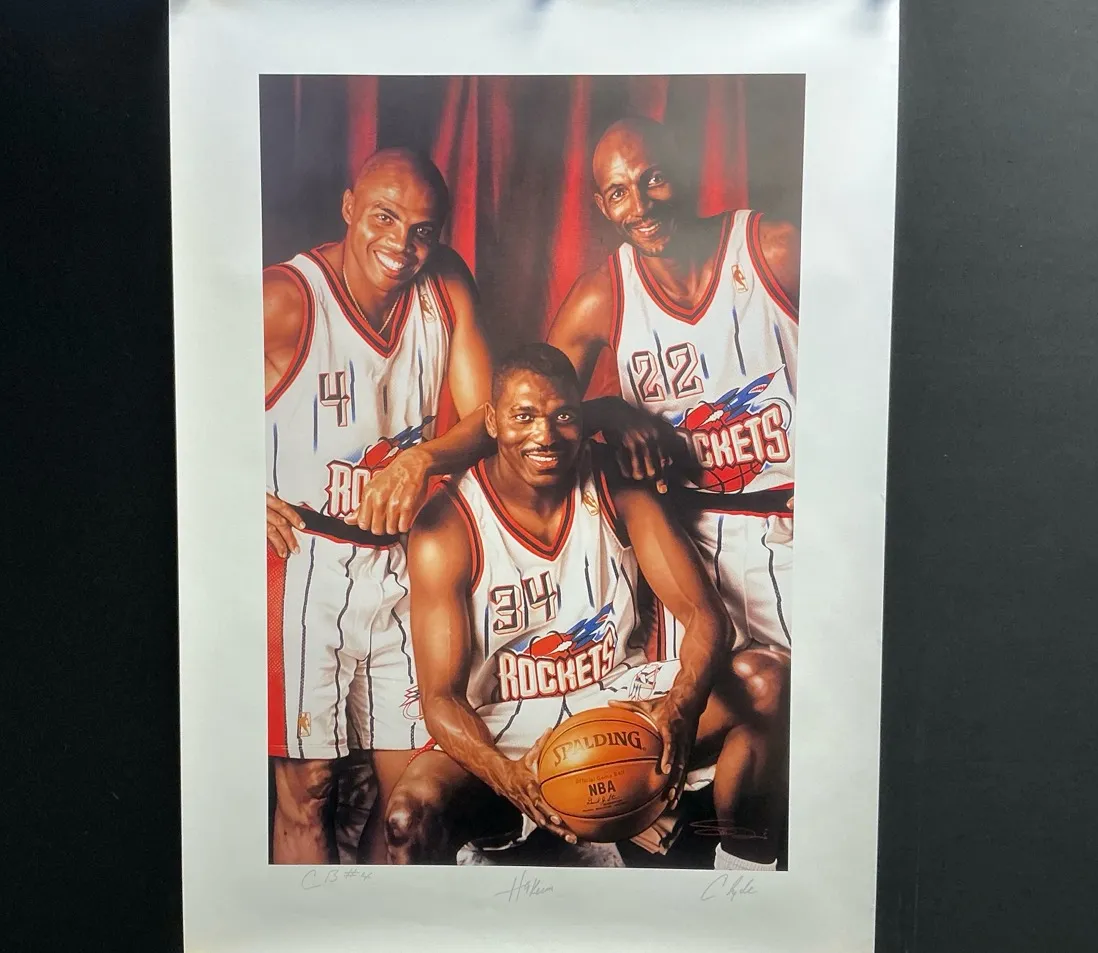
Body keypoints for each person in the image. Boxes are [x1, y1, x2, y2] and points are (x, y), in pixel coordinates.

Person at [385, 344, 787, 869]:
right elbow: (441, 699)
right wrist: (508, 778)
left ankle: (743, 881)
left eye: (563, 416)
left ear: (583, 417)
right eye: (523, 416)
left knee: (767, 682)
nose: (545, 436)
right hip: (508, 724)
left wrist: (682, 707)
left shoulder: (616, 485)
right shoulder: (448, 526)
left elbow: (704, 616)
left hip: (618, 701)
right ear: (492, 422)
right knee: (410, 820)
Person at [263, 147, 493, 863]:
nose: (401, 243)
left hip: (402, 562)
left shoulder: (444, 283)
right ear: (348, 208)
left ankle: (376, 916)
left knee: (409, 802)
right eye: (384, 218)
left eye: (422, 230)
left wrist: (423, 458)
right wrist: (227, 489)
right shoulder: (285, 299)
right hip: (304, 563)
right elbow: (175, 397)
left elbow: (487, 418)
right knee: (310, 788)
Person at [546, 115, 800, 660]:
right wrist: (607, 412)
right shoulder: (602, 297)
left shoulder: (774, 251)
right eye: (619, 193)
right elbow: (531, 412)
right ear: (602, 206)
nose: (640, 207)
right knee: (716, 700)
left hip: (794, 528)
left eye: (654, 179)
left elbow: (873, 371)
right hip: (689, 549)